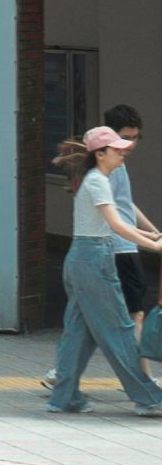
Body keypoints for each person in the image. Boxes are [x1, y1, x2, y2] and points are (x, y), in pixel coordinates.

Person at [48, 128, 162, 415]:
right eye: (117, 149)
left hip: (81, 260)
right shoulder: (98, 181)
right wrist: (153, 244)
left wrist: (152, 236)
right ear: (100, 154)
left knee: (78, 332)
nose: (123, 153)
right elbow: (116, 224)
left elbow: (117, 223)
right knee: (120, 330)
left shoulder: (96, 179)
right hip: (94, 261)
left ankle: (64, 398)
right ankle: (149, 398)